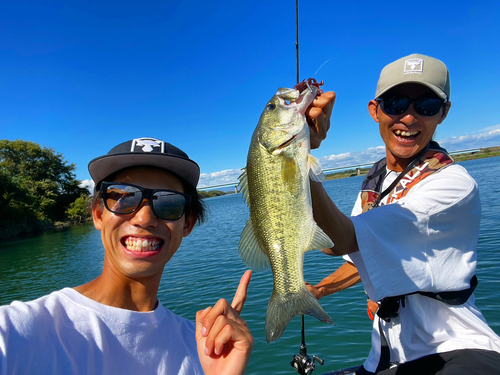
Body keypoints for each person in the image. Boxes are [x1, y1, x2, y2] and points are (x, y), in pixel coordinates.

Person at [305, 54, 500, 374]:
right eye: (395, 103)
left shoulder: (453, 186)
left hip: (456, 347)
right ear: (375, 110)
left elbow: (341, 239)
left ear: (444, 112)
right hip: (386, 355)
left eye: (425, 105)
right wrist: (318, 291)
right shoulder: (375, 186)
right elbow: (348, 251)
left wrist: (296, 155)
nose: (409, 118)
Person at [0, 137, 253, 375]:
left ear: (187, 223)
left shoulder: (204, 348)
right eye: (123, 198)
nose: (144, 218)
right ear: (98, 214)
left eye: (168, 203)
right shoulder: (17, 333)